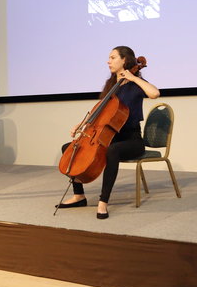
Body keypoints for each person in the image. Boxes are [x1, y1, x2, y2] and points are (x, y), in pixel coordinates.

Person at [57, 46, 160, 219]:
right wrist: (81, 124)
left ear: (124, 60)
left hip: (132, 140)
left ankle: (103, 202)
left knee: (113, 151)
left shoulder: (135, 85)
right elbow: (99, 113)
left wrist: (134, 78)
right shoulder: (112, 85)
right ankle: (79, 196)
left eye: (112, 58)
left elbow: (155, 93)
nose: (108, 61)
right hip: (109, 137)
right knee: (69, 147)